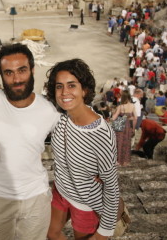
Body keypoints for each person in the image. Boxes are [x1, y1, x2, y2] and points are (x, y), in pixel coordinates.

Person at [0, 43, 60, 240]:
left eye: (22, 70)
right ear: (1, 75)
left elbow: (74, 139)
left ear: (32, 70)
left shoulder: (49, 109)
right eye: (8, 73)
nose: (16, 79)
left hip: (36, 199)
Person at [45, 58, 119, 240]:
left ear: (84, 90)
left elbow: (111, 186)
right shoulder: (62, 118)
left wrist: (104, 232)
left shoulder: (101, 133)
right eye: (59, 86)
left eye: (71, 86)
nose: (64, 92)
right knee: (50, 233)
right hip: (61, 190)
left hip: (86, 203)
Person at [111, 90, 137, 166]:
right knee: (126, 143)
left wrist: (114, 113)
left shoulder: (120, 106)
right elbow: (135, 118)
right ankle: (125, 161)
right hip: (128, 126)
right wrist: (133, 128)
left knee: (119, 142)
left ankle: (118, 160)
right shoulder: (132, 106)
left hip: (120, 126)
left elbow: (114, 118)